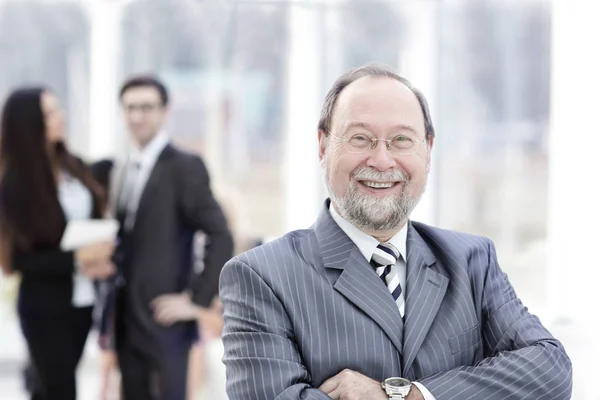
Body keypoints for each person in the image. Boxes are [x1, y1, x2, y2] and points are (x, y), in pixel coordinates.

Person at [219, 64, 573, 400]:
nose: (382, 161)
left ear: (428, 152)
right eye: (361, 138)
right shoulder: (260, 276)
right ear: (324, 146)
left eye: (402, 140)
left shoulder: (472, 261)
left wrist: (408, 394)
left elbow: (549, 371)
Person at [92, 75, 234, 400]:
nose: (137, 116)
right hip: (125, 319)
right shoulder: (121, 167)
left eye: (146, 107)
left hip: (165, 321)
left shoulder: (184, 166)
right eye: (130, 108)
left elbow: (220, 233)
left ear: (165, 111)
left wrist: (196, 300)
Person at [0, 87, 116, 400]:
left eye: (57, 110)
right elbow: (16, 262)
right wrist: (77, 257)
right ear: (29, 123)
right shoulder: (13, 185)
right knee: (60, 390)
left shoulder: (72, 165)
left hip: (82, 303)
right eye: (49, 113)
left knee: (48, 388)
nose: (59, 118)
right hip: (45, 307)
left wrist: (97, 256)